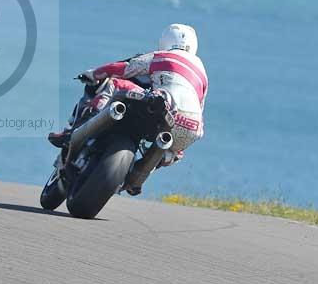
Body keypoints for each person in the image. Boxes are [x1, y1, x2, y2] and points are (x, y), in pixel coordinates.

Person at [52, 24, 208, 195]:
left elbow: (123, 69)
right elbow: (200, 106)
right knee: (172, 153)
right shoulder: (201, 71)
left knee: (114, 83)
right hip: (193, 127)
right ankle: (137, 178)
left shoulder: (162, 56)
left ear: (165, 40)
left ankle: (73, 130)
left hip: (165, 106)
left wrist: (94, 73)